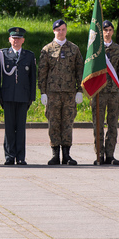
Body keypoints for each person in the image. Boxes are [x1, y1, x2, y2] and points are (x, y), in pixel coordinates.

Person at [38, 19, 84, 166]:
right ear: (54, 31)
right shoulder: (47, 50)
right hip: (52, 94)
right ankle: (55, 154)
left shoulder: (74, 49)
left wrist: (80, 90)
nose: (61, 32)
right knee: (54, 123)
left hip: (70, 93)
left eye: (63, 29)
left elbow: (80, 71)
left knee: (68, 123)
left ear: (66, 30)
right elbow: (42, 73)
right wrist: (43, 92)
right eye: (58, 30)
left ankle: (67, 154)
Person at [0, 26, 35, 165]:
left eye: (19, 38)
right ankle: (9, 156)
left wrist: (32, 97)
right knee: (9, 128)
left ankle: (21, 157)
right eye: (14, 38)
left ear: (23, 40)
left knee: (21, 128)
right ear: (9, 39)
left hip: (23, 97)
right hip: (8, 96)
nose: (16, 41)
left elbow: (32, 78)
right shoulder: (3, 54)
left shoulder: (29, 56)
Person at [93, 20, 119, 165]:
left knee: (113, 125)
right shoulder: (94, 49)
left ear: (113, 32)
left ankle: (110, 155)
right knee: (98, 125)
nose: (107, 32)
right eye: (105, 30)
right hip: (98, 93)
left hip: (113, 92)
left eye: (110, 30)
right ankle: (99, 155)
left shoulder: (118, 49)